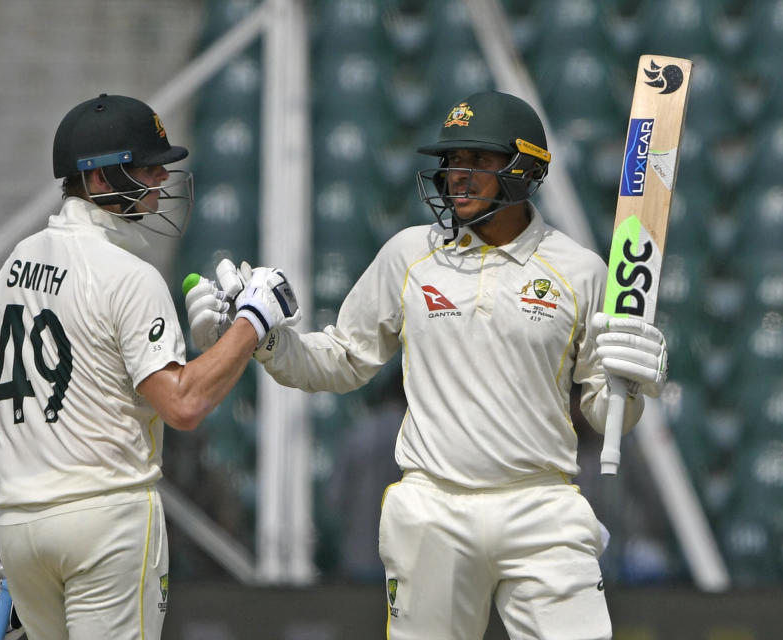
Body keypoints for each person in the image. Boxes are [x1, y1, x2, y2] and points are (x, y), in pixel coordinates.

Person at [186, 90, 668, 639]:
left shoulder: (580, 271)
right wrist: (262, 337)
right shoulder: (409, 255)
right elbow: (342, 360)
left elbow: (606, 414)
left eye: (478, 161)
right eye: (451, 161)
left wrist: (633, 386)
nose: (456, 175)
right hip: (434, 505)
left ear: (525, 168)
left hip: (542, 506)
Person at [0, 93, 300, 640]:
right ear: (99, 180)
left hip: (23, 518)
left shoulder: (12, 268)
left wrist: (4, 537)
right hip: (106, 519)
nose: (161, 179)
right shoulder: (130, 275)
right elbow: (184, 404)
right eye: (147, 167)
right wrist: (252, 323)